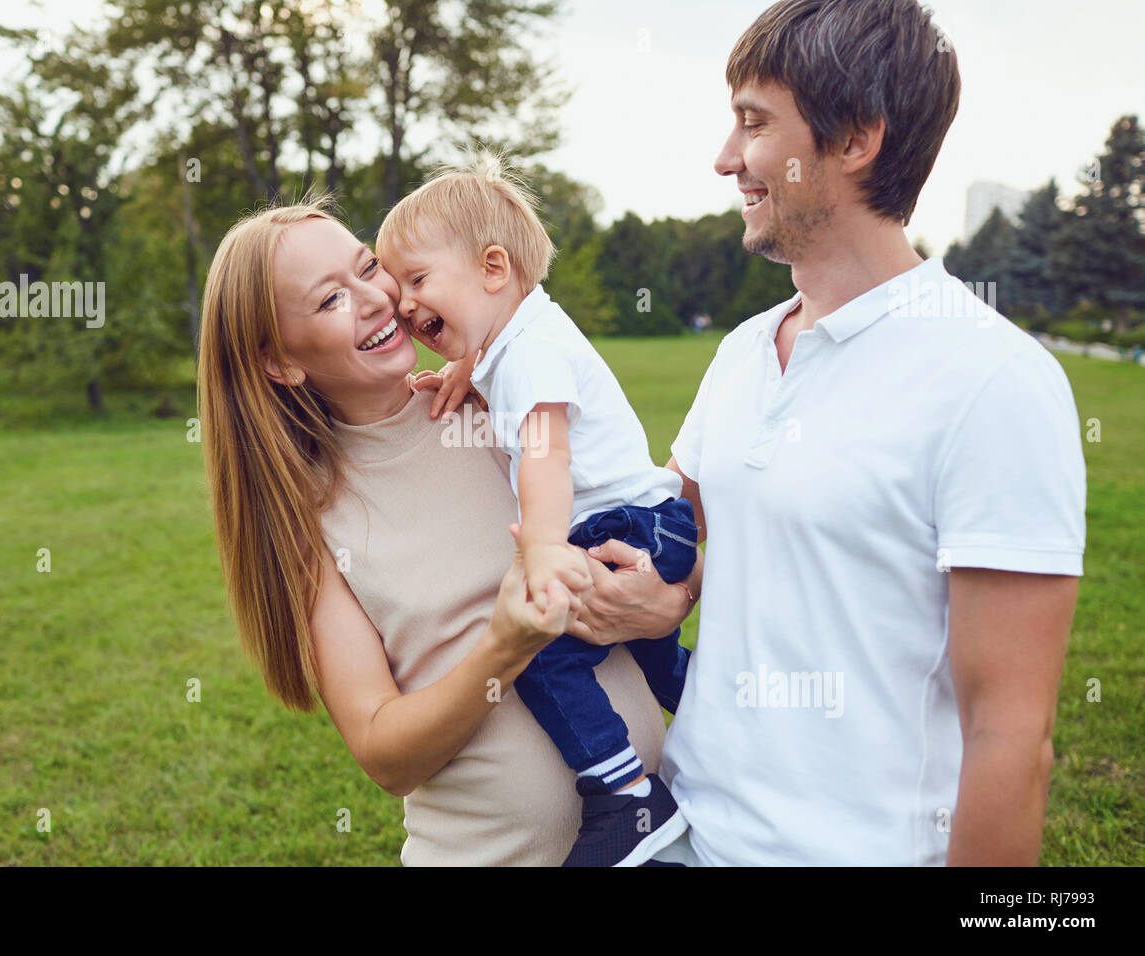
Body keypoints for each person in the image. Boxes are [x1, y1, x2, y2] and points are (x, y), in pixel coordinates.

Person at [645, 0, 1087, 866]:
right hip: (683, 832)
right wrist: (499, 365)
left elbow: (1010, 738)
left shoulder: (993, 381)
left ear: (855, 141)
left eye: (753, 123)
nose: (726, 159)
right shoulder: (742, 351)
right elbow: (668, 536)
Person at [195, 198, 702, 865]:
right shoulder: (309, 521)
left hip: (656, 845)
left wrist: (676, 594)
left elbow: (644, 511)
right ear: (279, 363)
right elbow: (383, 753)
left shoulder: (495, 404)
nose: (377, 298)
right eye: (329, 301)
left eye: (368, 267)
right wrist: (503, 648)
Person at [376, 152, 698, 866]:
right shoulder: (516, 346)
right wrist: (471, 368)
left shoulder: (528, 354)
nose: (404, 305)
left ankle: (624, 797)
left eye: (419, 280)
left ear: (494, 270)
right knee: (651, 655)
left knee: (546, 657)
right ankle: (737, 716)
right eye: (398, 292)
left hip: (623, 526)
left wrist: (543, 550)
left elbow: (547, 452)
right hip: (650, 523)